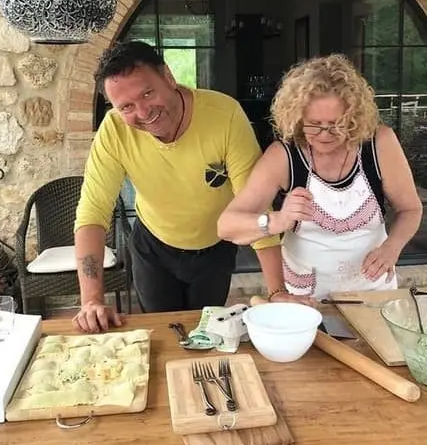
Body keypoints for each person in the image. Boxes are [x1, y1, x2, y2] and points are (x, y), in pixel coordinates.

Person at [72, 40, 282, 334]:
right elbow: (92, 213)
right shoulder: (114, 131)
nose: (143, 112)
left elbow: (255, 205)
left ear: (169, 77)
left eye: (148, 93)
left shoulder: (225, 115)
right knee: (164, 335)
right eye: (127, 106)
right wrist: (91, 300)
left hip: (215, 249)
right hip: (153, 247)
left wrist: (277, 293)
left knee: (206, 333)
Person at [217, 54, 423, 301]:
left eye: (337, 124)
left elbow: (411, 209)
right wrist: (278, 220)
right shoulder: (283, 156)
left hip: (372, 291)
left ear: (354, 117)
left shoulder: (380, 143)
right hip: (305, 298)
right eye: (314, 124)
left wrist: (392, 247)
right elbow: (227, 226)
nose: (325, 134)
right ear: (297, 117)